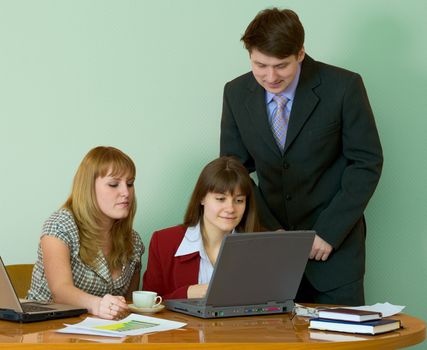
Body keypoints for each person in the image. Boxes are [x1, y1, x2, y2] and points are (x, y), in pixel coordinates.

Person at [220, 8, 383, 305]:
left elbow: (366, 163)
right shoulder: (235, 93)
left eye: (281, 66)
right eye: (260, 65)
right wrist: (271, 231)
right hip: (270, 253)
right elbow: (234, 171)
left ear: (300, 53)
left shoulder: (344, 87)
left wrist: (328, 232)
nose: (270, 76)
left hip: (336, 253)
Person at [27, 146, 144, 319]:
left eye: (130, 183)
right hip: (45, 328)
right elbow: (60, 290)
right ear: (88, 188)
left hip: (100, 334)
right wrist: (98, 305)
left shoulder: (134, 242)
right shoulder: (60, 226)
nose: (126, 193)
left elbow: (127, 304)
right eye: (113, 184)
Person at [142, 156, 260, 299]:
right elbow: (148, 305)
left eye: (239, 200)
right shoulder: (164, 242)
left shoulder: (263, 245)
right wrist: (186, 294)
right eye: (221, 199)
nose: (230, 208)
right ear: (202, 198)